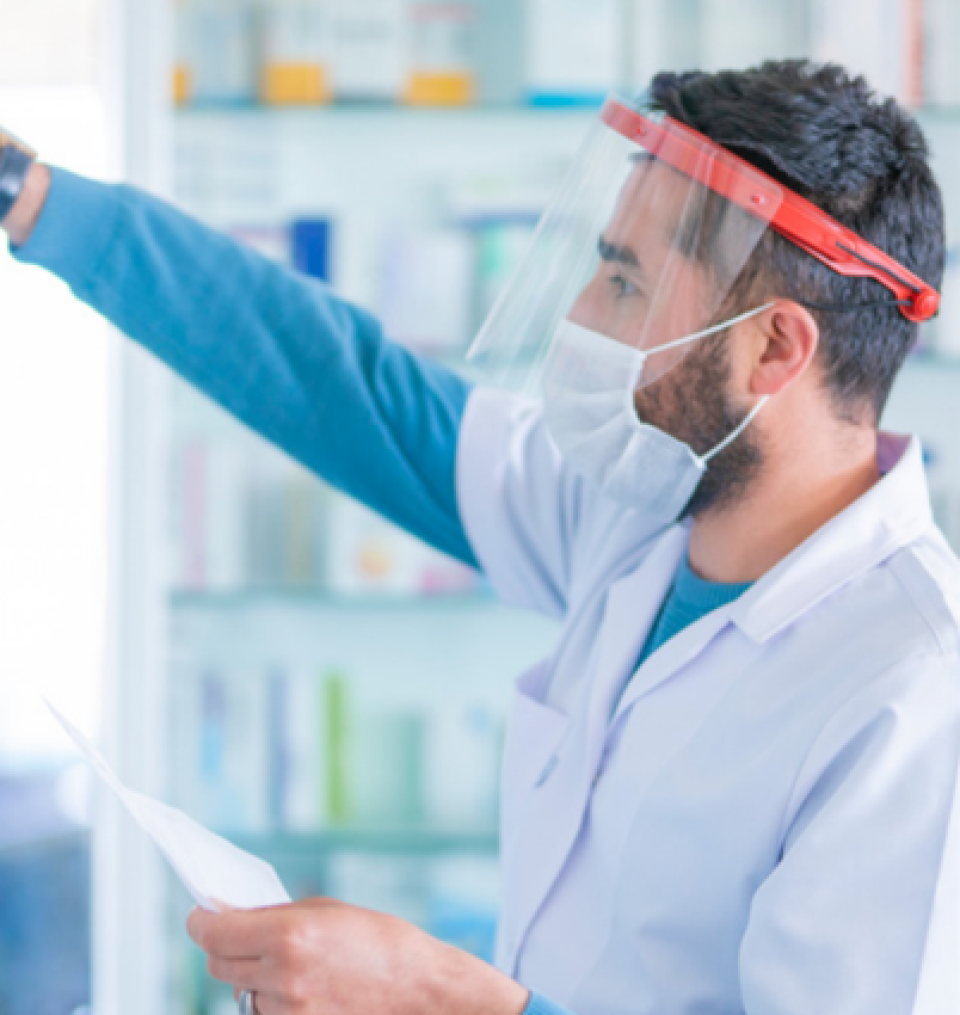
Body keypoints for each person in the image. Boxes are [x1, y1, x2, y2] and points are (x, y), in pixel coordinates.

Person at [2, 60, 959, 1015]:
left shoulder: (910, 691)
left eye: (625, 282)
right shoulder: (638, 514)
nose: (582, 316)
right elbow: (347, 391)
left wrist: (433, 994)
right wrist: (35, 200)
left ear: (774, 348)